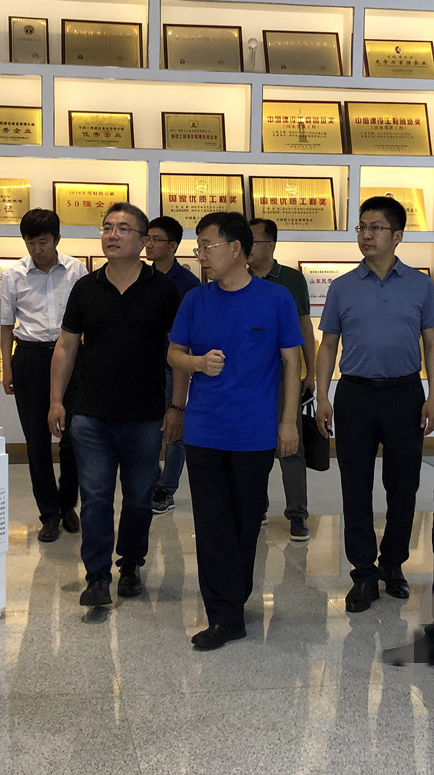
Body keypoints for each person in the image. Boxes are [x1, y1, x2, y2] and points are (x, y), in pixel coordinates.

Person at [168, 211, 303, 650]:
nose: (201, 255)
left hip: (254, 433)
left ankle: (234, 602)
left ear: (236, 249)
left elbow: (292, 362)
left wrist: (287, 422)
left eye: (207, 246)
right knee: (211, 525)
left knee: (246, 523)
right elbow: (174, 353)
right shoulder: (195, 300)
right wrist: (196, 363)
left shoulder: (276, 298)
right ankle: (223, 616)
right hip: (205, 431)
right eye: (198, 247)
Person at [48, 203, 181, 606]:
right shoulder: (86, 288)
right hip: (91, 414)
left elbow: (180, 351)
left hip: (144, 415)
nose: (113, 234)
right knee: (95, 498)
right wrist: (56, 400)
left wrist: (176, 407)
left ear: (143, 241)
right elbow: (66, 346)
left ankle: (132, 564)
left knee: (139, 498)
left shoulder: (163, 290)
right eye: (107, 227)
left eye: (124, 228)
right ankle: (96, 576)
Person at [315, 195, 434, 613]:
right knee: (355, 486)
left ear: (398, 235)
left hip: (405, 394)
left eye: (376, 227)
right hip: (355, 395)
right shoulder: (343, 286)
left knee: (403, 485)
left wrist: (433, 396)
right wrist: (322, 395)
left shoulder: (420, 285)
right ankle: (363, 573)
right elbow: (328, 345)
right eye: (362, 227)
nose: (366, 235)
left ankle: (394, 564)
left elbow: (431, 344)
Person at [0, 208, 88, 542]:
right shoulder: (13, 275)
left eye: (44, 242)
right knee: (36, 441)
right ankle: (49, 514)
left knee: (74, 437)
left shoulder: (77, 270)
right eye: (31, 242)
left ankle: (67, 504)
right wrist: (7, 368)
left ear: (57, 239)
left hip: (72, 357)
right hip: (30, 359)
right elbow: (5, 326)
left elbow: (89, 318)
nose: (37, 249)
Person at [248, 218, 316, 541]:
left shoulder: (291, 279)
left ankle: (297, 514)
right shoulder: (237, 277)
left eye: (253, 241)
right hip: (248, 378)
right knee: (252, 447)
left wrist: (311, 372)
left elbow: (305, 327)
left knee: (291, 446)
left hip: (283, 377)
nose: (246, 247)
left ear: (271, 245)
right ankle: (256, 507)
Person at [146, 216, 199, 514]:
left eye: (156, 239)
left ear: (173, 246)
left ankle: (167, 489)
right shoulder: (142, 277)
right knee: (147, 429)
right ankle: (151, 482)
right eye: (148, 238)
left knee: (175, 428)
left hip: (174, 367)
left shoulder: (189, 284)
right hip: (145, 366)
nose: (149, 244)